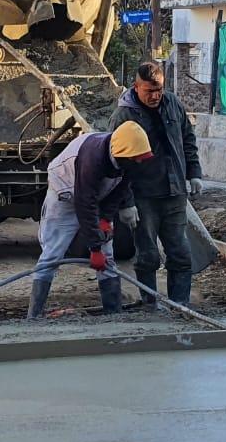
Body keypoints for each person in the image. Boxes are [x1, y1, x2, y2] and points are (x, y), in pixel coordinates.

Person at [27, 121, 153, 319]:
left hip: (95, 195)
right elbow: (85, 204)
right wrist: (94, 248)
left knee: (108, 257)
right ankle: (33, 315)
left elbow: (118, 190)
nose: (139, 162)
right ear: (122, 153)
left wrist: (105, 219)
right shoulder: (92, 158)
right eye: (135, 159)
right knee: (52, 254)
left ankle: (113, 313)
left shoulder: (131, 159)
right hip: (65, 194)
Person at [107, 61, 203, 306]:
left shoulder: (173, 104)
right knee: (148, 255)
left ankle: (179, 304)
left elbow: (187, 139)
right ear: (136, 87)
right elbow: (116, 162)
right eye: (149, 90)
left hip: (174, 193)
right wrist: (126, 202)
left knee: (180, 253)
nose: (155, 95)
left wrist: (194, 172)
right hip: (144, 196)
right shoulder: (124, 116)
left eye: (158, 89)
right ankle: (151, 304)